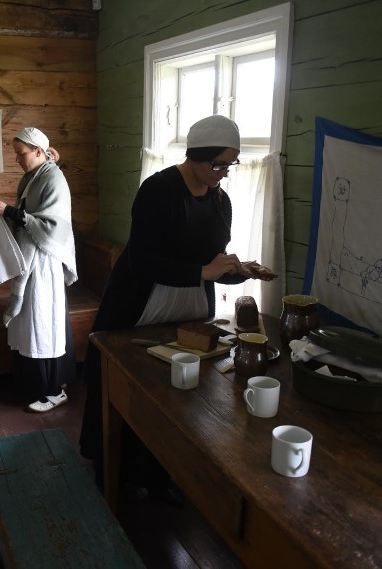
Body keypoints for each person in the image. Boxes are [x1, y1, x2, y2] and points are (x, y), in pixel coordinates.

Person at [78, 114, 278, 497]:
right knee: (127, 385)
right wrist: (204, 270)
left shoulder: (221, 201)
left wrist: (239, 271)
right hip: (141, 305)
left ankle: (161, 473)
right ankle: (114, 467)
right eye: (217, 163)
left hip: (188, 307)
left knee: (175, 395)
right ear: (195, 156)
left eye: (229, 165)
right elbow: (143, 260)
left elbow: (212, 263)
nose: (223, 173)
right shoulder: (159, 191)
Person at [0, 127, 77, 413]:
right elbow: (30, 215)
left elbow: (52, 225)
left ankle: (52, 390)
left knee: (42, 325)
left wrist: (9, 212)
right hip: (32, 260)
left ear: (38, 151)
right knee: (31, 324)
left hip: (44, 262)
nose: (17, 159)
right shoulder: (34, 176)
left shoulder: (53, 178)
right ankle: (34, 385)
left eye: (21, 153)